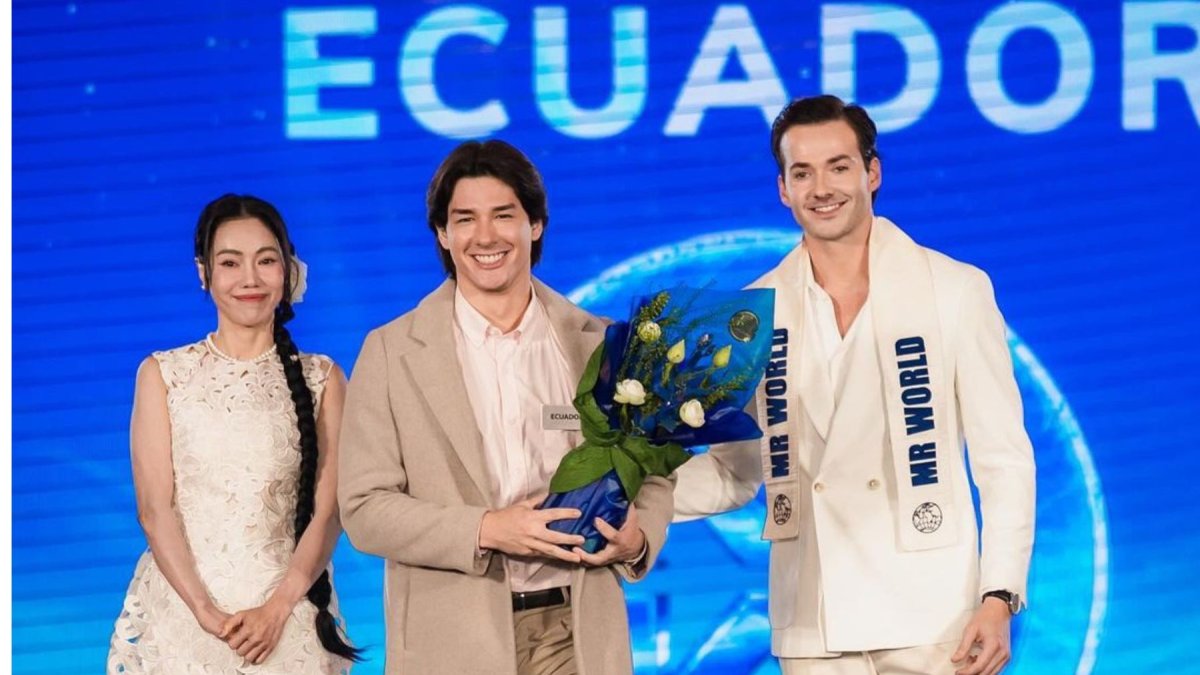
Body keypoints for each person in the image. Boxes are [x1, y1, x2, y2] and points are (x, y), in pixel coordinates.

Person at [673, 95, 1036, 675]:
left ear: (872, 172)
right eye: (802, 173)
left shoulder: (954, 290)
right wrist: (626, 489)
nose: (822, 188)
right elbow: (733, 473)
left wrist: (999, 595)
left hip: (933, 617)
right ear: (783, 189)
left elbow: (1004, 459)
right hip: (814, 618)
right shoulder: (750, 314)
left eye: (838, 167)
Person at [337, 139, 673, 674]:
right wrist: (487, 529)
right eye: (464, 219)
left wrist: (637, 539)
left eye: (503, 215)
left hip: (577, 631)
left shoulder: (599, 341)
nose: (485, 236)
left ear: (535, 225)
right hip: (452, 640)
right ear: (443, 234)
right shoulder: (392, 352)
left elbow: (652, 471)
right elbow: (363, 509)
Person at [108, 194, 359, 673]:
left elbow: (330, 512)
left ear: (288, 270)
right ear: (204, 273)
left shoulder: (322, 378)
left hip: (288, 619)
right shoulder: (163, 374)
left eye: (266, 260)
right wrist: (204, 612)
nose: (250, 278)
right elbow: (154, 509)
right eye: (230, 262)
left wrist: (279, 608)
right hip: (184, 620)